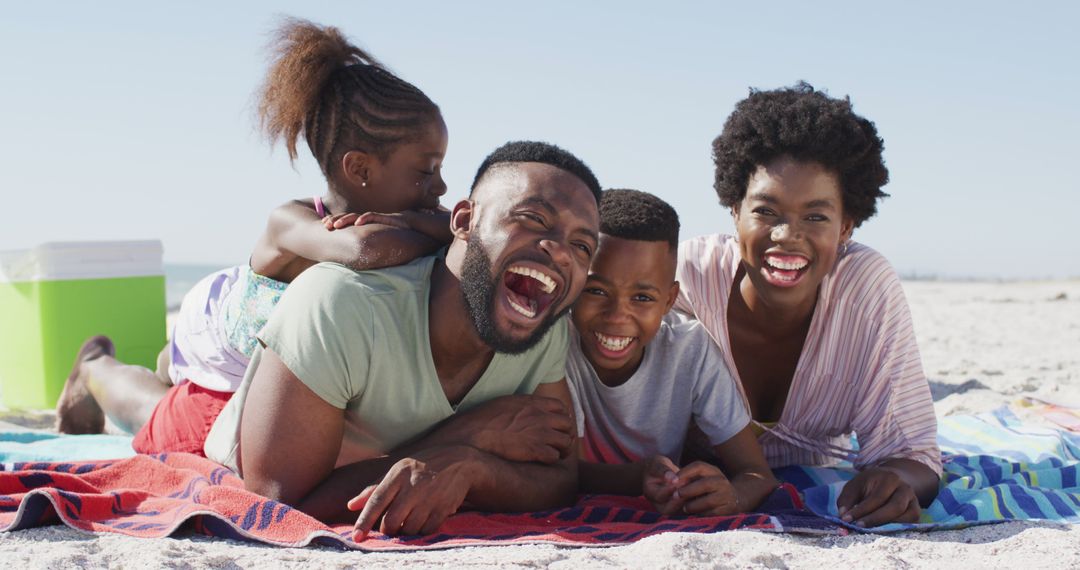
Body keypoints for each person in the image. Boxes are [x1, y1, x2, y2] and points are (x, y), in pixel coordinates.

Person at [54, 18, 452, 455]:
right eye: (425, 172)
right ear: (359, 169)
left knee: (172, 375)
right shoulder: (292, 222)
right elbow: (362, 249)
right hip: (226, 344)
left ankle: (168, 364)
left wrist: (439, 227)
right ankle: (95, 367)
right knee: (166, 425)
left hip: (273, 365)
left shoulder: (403, 222)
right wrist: (428, 227)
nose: (440, 188)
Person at [203, 140, 602, 539]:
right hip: (230, 425)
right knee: (170, 404)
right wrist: (467, 436)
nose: (561, 252)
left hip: (313, 408)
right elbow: (279, 500)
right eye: (532, 218)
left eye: (582, 246)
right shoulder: (341, 302)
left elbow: (560, 479)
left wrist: (468, 465)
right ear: (464, 222)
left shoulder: (539, 325)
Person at [675, 83, 941, 527]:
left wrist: (893, 481)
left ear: (845, 228)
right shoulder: (688, 279)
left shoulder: (864, 289)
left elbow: (913, 453)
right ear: (734, 211)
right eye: (766, 212)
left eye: (815, 217)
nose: (786, 235)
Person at [566, 189, 777, 516]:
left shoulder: (689, 349)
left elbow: (757, 475)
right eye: (596, 290)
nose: (617, 316)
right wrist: (638, 477)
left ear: (668, 299)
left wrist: (731, 497)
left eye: (642, 298)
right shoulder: (555, 346)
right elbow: (564, 474)